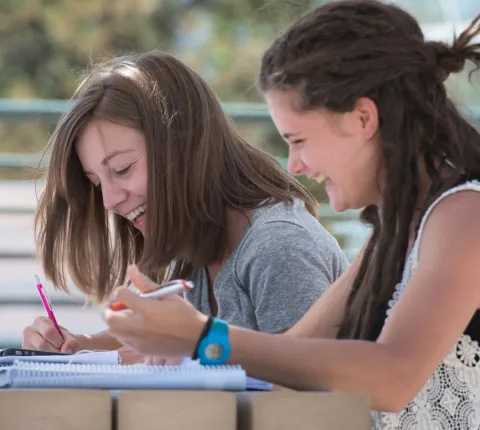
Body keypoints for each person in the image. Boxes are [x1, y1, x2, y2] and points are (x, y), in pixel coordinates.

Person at [103, 1, 480, 428]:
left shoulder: (465, 214)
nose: (294, 165)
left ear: (362, 117)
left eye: (298, 139)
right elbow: (293, 359)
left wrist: (202, 336)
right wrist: (176, 343)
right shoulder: (395, 231)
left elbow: (394, 376)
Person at [22, 50, 348, 358]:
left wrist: (192, 348)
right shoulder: (195, 244)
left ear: (184, 145)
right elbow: (158, 342)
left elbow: (304, 390)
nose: (109, 201)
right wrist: (79, 348)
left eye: (122, 169)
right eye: (96, 182)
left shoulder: (279, 247)